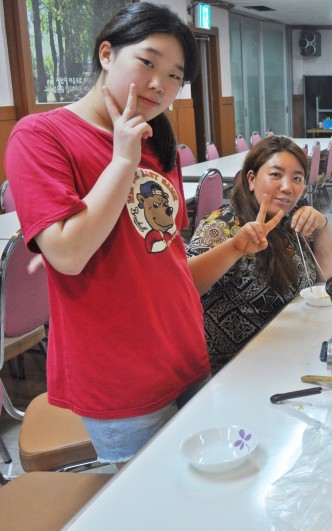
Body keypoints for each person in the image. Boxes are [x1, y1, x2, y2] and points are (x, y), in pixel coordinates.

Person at [3, 4, 211, 463]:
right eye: (148, 62)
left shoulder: (158, 142)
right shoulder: (40, 135)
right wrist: (122, 161)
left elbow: (163, 252)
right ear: (106, 54)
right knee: (152, 508)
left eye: (176, 75)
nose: (161, 83)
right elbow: (70, 255)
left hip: (185, 350)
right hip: (120, 376)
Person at [186, 136, 332, 373]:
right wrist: (234, 249)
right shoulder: (223, 224)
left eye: (296, 178)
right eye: (276, 175)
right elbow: (183, 287)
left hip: (287, 354)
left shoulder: (287, 221)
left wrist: (322, 226)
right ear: (251, 179)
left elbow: (328, 273)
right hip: (235, 369)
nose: (288, 187)